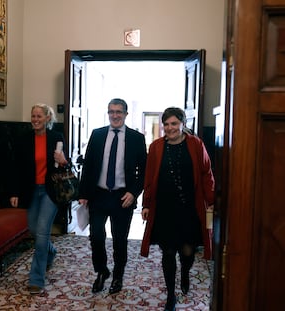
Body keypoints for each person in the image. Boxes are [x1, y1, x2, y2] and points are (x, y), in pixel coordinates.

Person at [140, 107, 214, 311]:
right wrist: (146, 204)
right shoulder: (155, 147)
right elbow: (149, 177)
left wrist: (211, 199)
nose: (170, 128)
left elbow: (207, 173)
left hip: (190, 209)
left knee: (188, 251)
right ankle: (171, 295)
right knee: (168, 252)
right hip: (164, 209)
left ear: (182, 124)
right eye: (166, 124)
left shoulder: (195, 144)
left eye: (174, 124)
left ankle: (185, 272)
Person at [79, 98, 147, 294]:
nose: (115, 115)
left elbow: (143, 171)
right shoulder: (98, 135)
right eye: (111, 112)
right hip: (98, 195)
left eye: (119, 112)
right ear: (108, 113)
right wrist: (83, 193)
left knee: (119, 240)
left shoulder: (136, 138)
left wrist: (134, 193)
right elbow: (89, 165)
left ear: (126, 114)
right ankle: (102, 271)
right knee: (96, 236)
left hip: (122, 197)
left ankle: (118, 276)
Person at [8, 103, 68, 295]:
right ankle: (51, 251)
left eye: (39, 116)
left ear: (47, 118)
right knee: (34, 230)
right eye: (33, 116)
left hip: (50, 191)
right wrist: (14, 192)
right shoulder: (23, 139)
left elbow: (64, 166)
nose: (35, 120)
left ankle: (36, 279)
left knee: (42, 233)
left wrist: (63, 161)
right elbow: (15, 168)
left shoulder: (57, 138)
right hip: (31, 191)